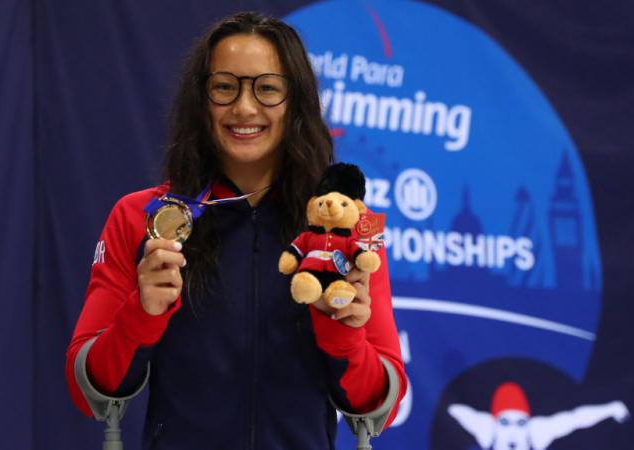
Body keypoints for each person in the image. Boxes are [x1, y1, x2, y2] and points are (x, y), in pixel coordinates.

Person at [66, 11, 406, 449]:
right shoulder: (140, 216)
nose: (244, 108)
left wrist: (343, 335)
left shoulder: (347, 225)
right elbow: (87, 387)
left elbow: (381, 402)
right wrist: (142, 313)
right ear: (201, 100)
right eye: (225, 87)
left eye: (266, 88)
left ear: (296, 103)